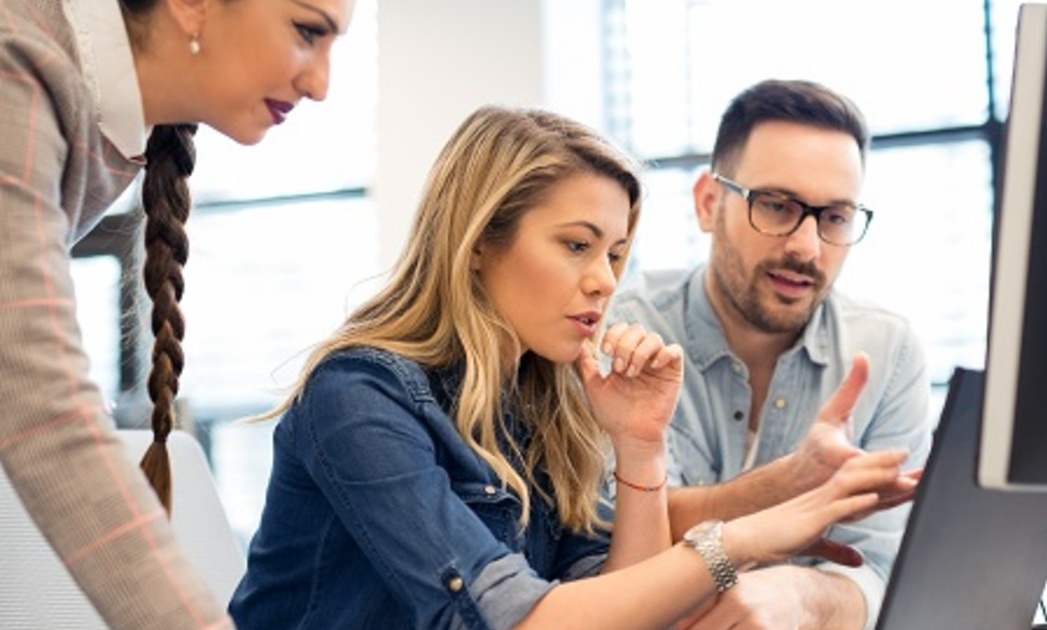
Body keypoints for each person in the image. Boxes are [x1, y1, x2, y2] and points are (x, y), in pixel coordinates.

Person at [229, 105, 910, 629]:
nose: (605, 281)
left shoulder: (541, 406)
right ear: (476, 244)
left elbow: (618, 610)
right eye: (576, 246)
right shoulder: (359, 394)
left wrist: (639, 449)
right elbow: (518, 620)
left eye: (613, 254)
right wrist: (741, 539)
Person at [0, 0, 355, 627]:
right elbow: (40, 408)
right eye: (306, 32)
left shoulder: (97, 115)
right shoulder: (17, 63)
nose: (322, 84)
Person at [608, 79, 933, 630]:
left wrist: (805, 596)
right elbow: (609, 534)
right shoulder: (622, 334)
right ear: (709, 204)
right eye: (777, 206)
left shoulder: (888, 352)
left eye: (834, 218)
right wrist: (793, 483)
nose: (807, 247)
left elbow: (888, 572)